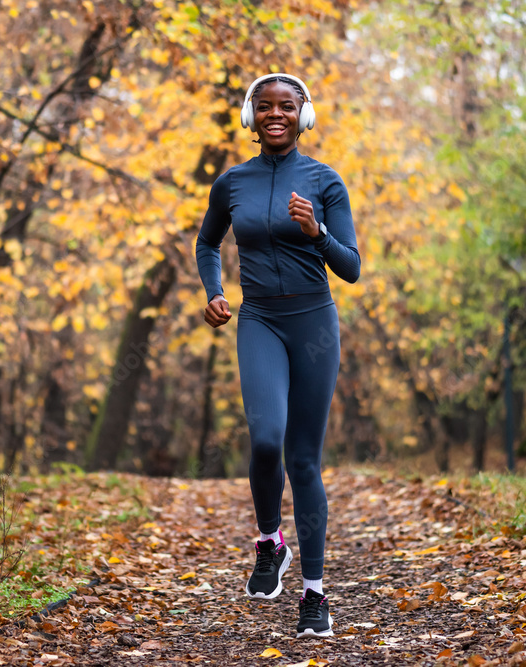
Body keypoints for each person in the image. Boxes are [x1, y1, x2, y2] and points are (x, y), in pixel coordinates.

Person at [194, 72, 361, 639]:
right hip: (259, 319)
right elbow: (207, 242)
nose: (275, 115)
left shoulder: (324, 180)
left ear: (302, 114)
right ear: (250, 116)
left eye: (286, 107)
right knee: (266, 441)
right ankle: (271, 542)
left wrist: (315, 231)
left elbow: (352, 267)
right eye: (263, 107)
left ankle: (315, 594)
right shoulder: (231, 183)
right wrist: (214, 292)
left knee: (304, 460)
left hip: (314, 321)